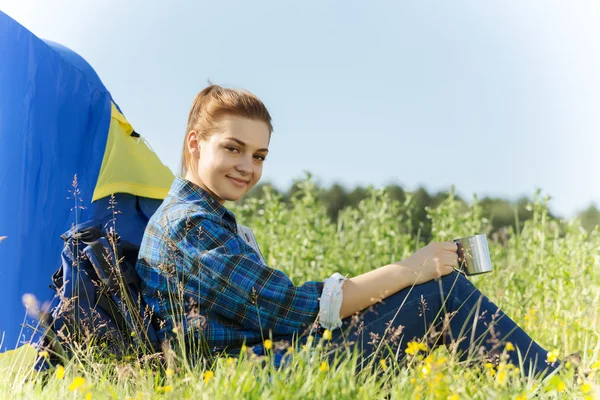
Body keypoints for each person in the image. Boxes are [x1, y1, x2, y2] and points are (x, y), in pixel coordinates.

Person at [135, 84, 559, 378]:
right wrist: (411, 269)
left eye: (259, 155)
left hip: (265, 362)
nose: (248, 167)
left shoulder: (203, 219)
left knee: (432, 293)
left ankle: (544, 377)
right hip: (247, 376)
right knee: (442, 294)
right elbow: (295, 311)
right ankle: (555, 383)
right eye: (233, 148)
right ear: (195, 144)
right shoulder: (189, 225)